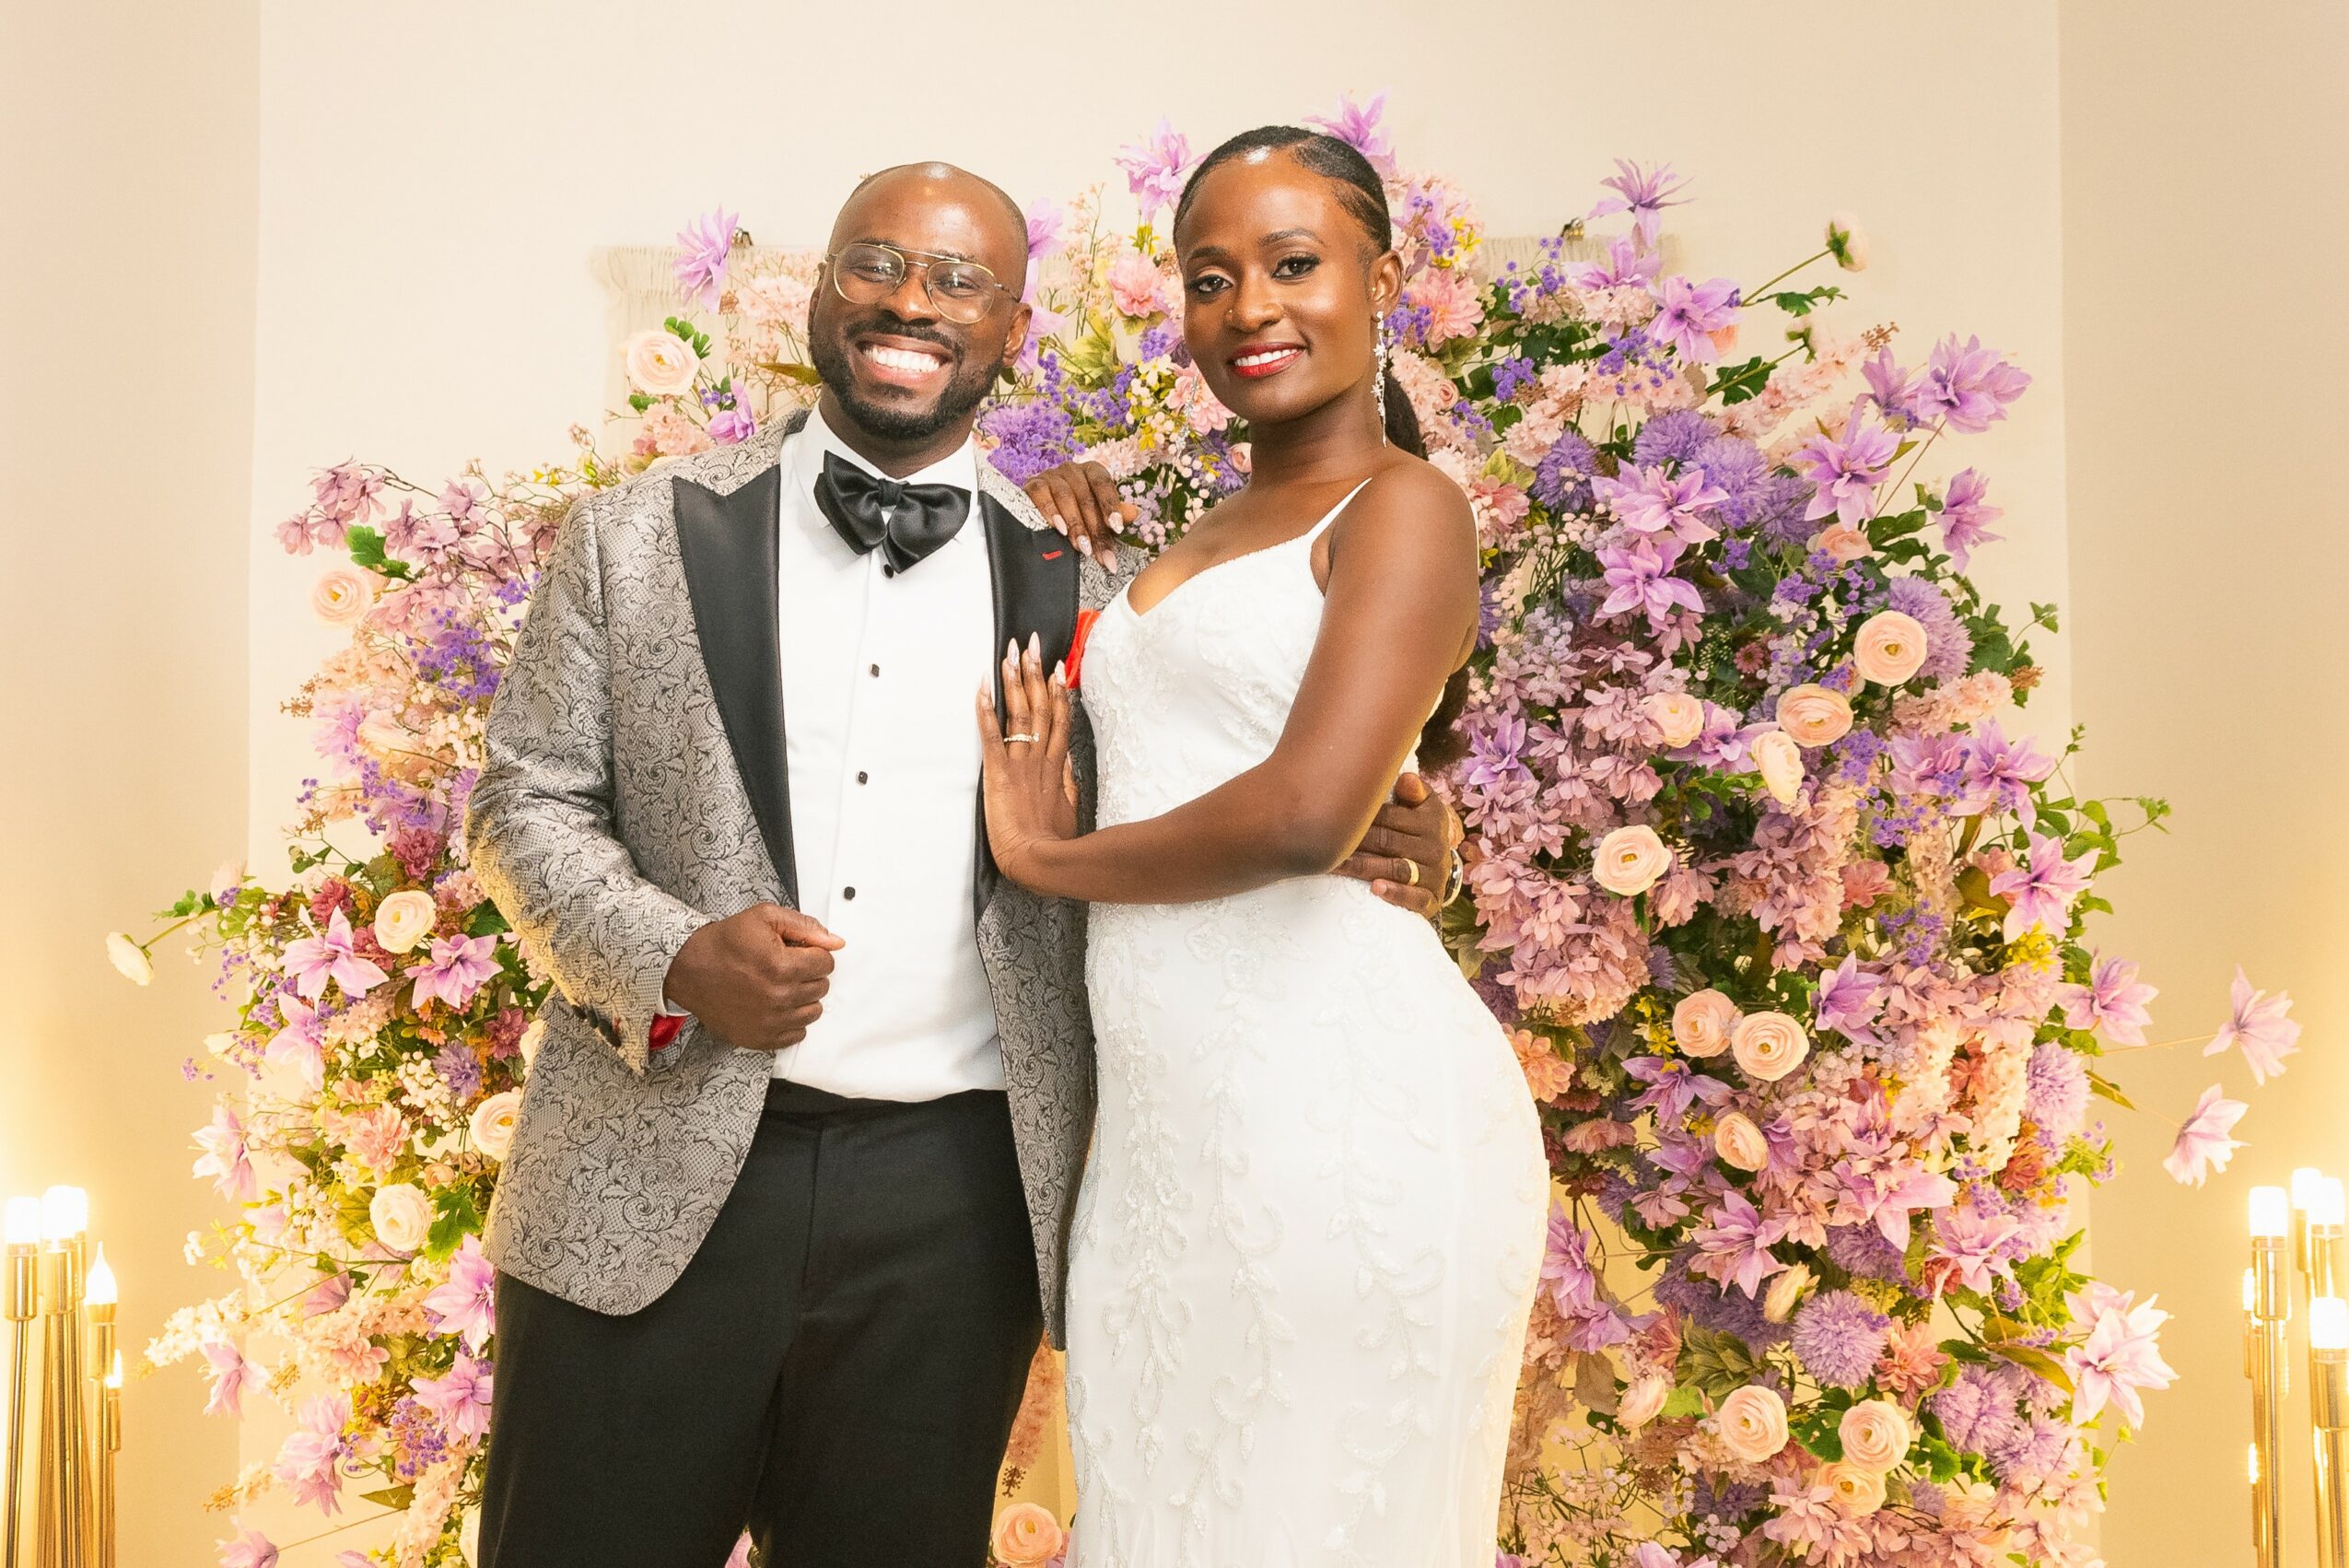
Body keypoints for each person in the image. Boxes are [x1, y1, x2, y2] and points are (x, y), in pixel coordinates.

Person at [463, 158, 1460, 1567]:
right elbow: (522, 802)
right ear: (816, 293)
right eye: (874, 263)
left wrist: (1413, 828)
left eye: (959, 281)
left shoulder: (1101, 590)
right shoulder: (634, 534)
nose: (908, 303)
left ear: (1013, 331)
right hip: (648, 1164)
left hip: (954, 1208)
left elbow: (1245, 777)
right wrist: (674, 953)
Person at [982, 127, 1548, 1566]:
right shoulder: (1192, 532)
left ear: (1380, 279)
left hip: (1339, 1119)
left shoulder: (1407, 507)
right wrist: (1061, 538)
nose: (1251, 308)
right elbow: (1167, 725)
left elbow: (1304, 813)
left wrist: (1049, 858)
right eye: (1211, 277)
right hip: (1165, 1145)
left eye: (1293, 264)